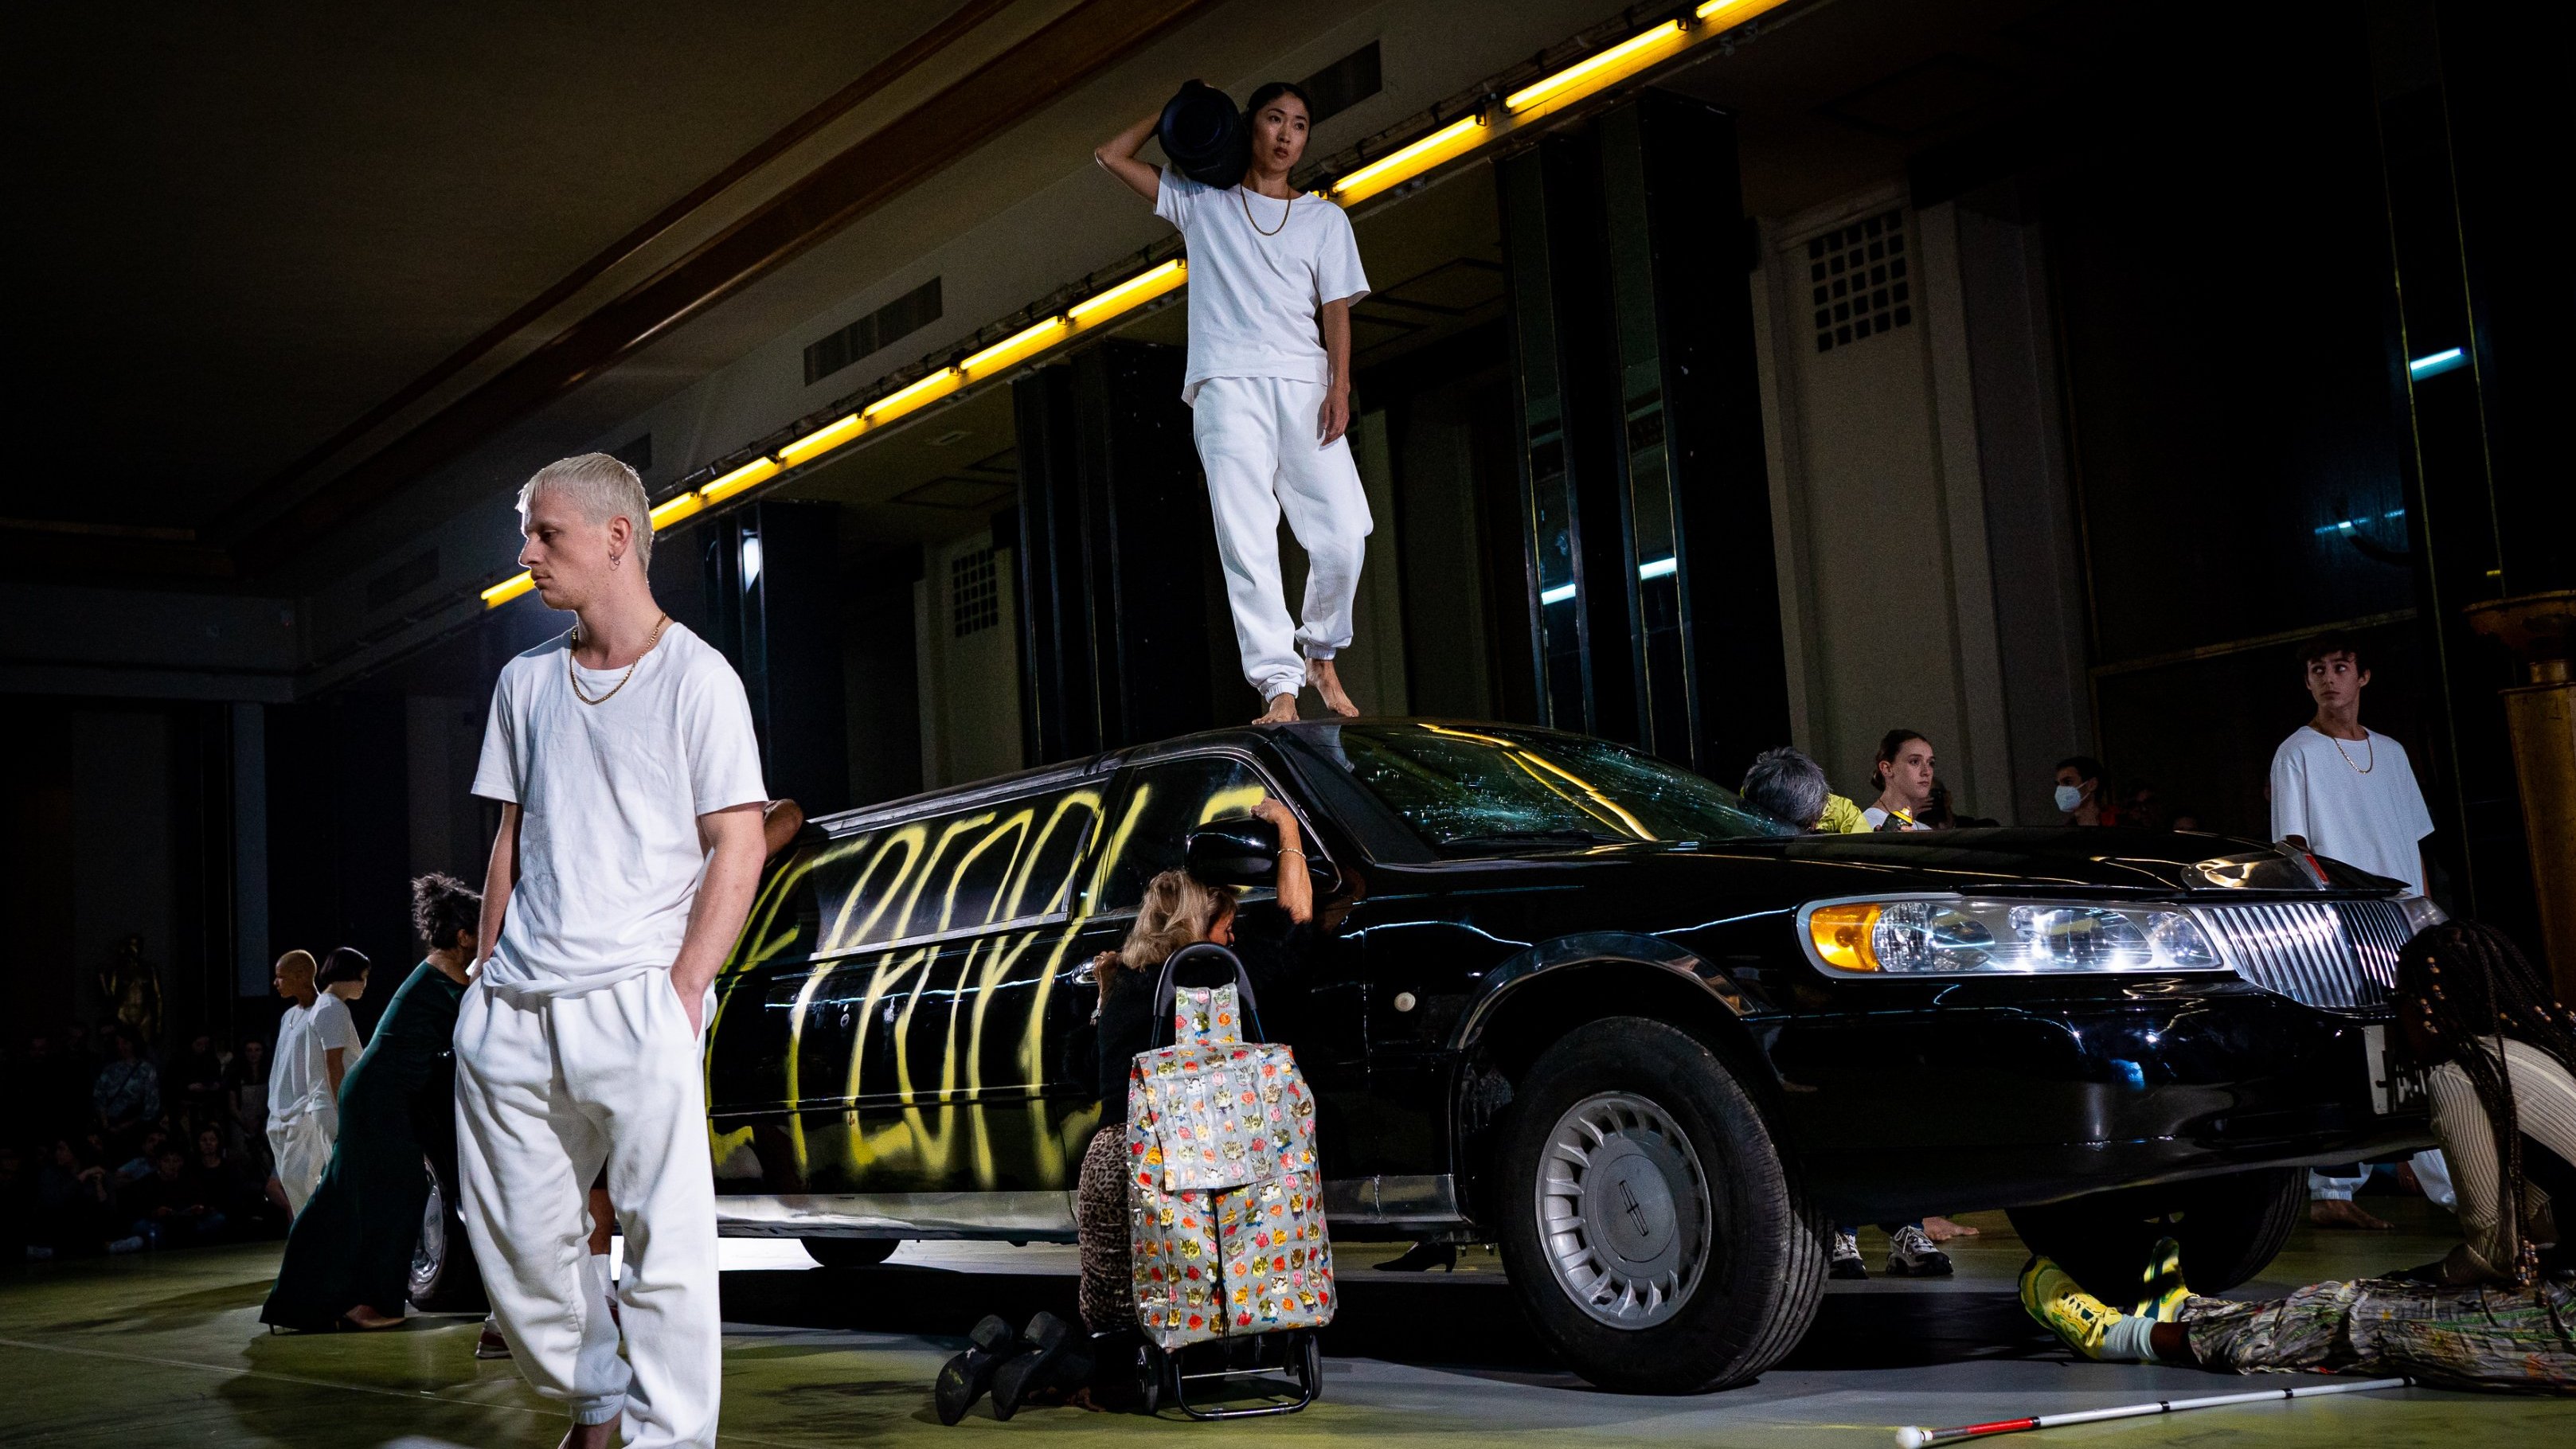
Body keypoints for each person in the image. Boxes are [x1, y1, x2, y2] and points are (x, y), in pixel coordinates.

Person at [457, 452, 768, 1449]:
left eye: (546, 533)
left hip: (638, 992)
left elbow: (741, 837)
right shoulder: (525, 681)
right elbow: (511, 836)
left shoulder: (699, 676)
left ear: (616, 537)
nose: (528, 552)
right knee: (519, 1244)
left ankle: (664, 1437)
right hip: (516, 1004)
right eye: (529, 531)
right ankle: (597, 1393)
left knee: (666, 1244)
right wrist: (481, 975)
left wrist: (683, 991)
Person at [2021, 922, 2574, 1389]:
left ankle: (2117, 1338)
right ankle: (2187, 1311)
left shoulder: (2464, 1076)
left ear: (2430, 1006)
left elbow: (2492, 1253)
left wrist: (2416, 1278)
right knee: (2371, 1297)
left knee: (2352, 1314)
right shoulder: (2537, 1051)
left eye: (2399, 1001)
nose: (2395, 1018)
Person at [1096, 83, 1374, 724]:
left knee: (1344, 535)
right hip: (1225, 385)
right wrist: (1172, 107)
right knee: (1247, 538)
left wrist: (1338, 385)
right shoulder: (1203, 202)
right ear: (1248, 126)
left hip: (1304, 386)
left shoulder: (1323, 218)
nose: (1285, 135)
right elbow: (1110, 155)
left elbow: (1336, 310)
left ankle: (1321, 649)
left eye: (1299, 125)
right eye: (1274, 120)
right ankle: (1278, 686)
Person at [2269, 629, 2438, 1229]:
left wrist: (2424, 910)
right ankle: (2331, 1185)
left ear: (2361, 677)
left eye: (2339, 667)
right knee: (2352, 1045)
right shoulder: (2297, 753)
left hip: (2404, 916)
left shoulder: (2389, 752)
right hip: (2341, 918)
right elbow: (2291, 846)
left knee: (2424, 1040)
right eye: (2317, 668)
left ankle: (2443, 1173)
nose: (2328, 677)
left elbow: (2412, 838)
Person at [263, 876, 481, 1332]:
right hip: (379, 1098)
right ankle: (366, 1305)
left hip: (377, 1095)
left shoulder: (438, 972)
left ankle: (301, 1303)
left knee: (344, 1197)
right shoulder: (450, 978)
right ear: (464, 938)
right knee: (392, 1194)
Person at [264, 948, 359, 1217]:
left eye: (281, 977)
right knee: (294, 1186)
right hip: (280, 1113)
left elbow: (334, 1063)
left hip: (306, 1110)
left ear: (301, 975)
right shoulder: (288, 1017)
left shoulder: (324, 1012)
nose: (276, 983)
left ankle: (322, 1242)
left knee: (300, 1180)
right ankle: (312, 1245)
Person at [1739, 746, 1868, 834]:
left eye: (1815, 820)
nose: (1813, 825)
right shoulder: (1753, 797)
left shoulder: (1842, 812)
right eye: (1806, 824)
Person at [90, 1024, 161, 1147]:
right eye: (118, 1043)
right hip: (110, 1124)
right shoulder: (109, 1069)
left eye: (125, 1043)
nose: (121, 1047)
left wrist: (126, 1125)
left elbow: (152, 1105)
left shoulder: (146, 1070)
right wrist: (106, 1123)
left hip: (135, 1129)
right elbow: (98, 1096)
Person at [1863, 730, 1935, 830]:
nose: (1927, 772)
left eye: (1931, 763)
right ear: (1887, 769)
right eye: (1914, 761)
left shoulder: (1926, 830)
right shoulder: (1865, 825)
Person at [2053, 756, 2119, 826]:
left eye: (2068, 782)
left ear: (2092, 784)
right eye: (2058, 785)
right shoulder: (2067, 831)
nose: (2061, 789)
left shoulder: (2123, 822)